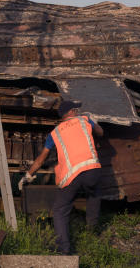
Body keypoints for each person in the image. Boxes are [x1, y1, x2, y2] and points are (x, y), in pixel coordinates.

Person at [18, 100, 104, 254]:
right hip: (92, 170)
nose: (77, 111)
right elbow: (100, 133)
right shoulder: (85, 120)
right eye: (75, 109)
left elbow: (41, 158)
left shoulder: (55, 133)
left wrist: (28, 175)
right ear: (70, 112)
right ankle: (92, 231)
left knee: (59, 210)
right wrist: (95, 123)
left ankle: (64, 249)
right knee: (95, 193)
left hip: (72, 175)